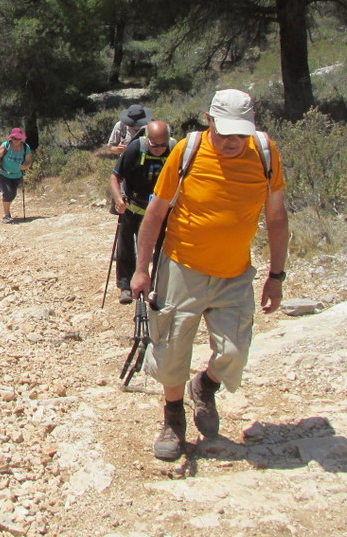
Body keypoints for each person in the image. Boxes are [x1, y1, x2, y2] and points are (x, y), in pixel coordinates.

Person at [130, 89, 287, 462]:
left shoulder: (265, 153)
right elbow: (155, 213)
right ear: (209, 120)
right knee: (170, 352)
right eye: (225, 132)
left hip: (235, 274)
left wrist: (276, 274)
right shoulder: (188, 151)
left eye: (240, 134)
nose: (232, 142)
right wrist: (141, 269)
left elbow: (277, 217)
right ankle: (172, 418)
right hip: (182, 266)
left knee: (234, 352)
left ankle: (205, 385)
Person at [109, 120, 173, 305]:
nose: (159, 149)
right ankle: (125, 286)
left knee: (162, 249)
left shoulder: (175, 149)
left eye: (163, 145)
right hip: (134, 205)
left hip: (161, 210)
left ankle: (156, 287)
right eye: (155, 145)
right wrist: (118, 199)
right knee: (126, 245)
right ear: (148, 139)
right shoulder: (135, 148)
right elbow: (115, 176)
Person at [0, 128, 33, 224]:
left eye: (18, 139)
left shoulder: (26, 147)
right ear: (11, 138)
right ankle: (6, 215)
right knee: (8, 192)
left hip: (17, 175)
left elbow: (29, 161)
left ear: (21, 139)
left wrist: (26, 166)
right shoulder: (6, 146)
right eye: (14, 138)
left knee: (12, 194)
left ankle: (7, 210)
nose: (16, 141)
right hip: (4, 174)